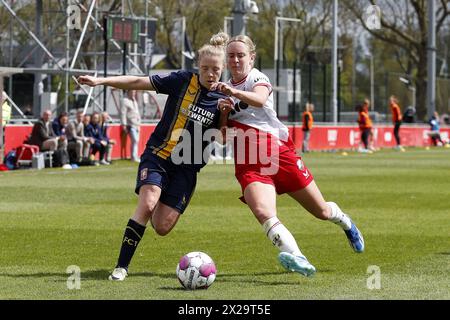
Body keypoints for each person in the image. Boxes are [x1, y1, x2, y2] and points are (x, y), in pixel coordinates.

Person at [77, 35, 229, 281]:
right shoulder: (181, 80)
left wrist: (223, 116)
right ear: (197, 65)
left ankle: (158, 193)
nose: (210, 74)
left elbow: (222, 139)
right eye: (205, 68)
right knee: (147, 204)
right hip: (158, 155)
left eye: (216, 70)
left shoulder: (225, 97)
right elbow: (138, 81)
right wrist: (100, 80)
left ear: (222, 71)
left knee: (161, 227)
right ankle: (121, 267)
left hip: (187, 168)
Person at [214, 33, 364, 278]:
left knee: (321, 211)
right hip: (249, 163)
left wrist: (234, 93)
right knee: (263, 211)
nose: (236, 60)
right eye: (231, 56)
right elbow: (223, 138)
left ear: (251, 58)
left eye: (241, 55)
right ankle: (298, 258)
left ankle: (345, 222)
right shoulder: (223, 91)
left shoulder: (256, 77)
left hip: (279, 155)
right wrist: (223, 113)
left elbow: (260, 99)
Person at [120, 89, 141, 162]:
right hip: (130, 124)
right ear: (128, 92)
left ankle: (135, 156)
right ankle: (134, 157)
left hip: (137, 124)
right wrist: (124, 124)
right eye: (132, 92)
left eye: (134, 92)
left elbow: (137, 112)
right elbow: (123, 113)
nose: (133, 93)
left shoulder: (134, 100)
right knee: (134, 140)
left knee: (136, 141)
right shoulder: (125, 100)